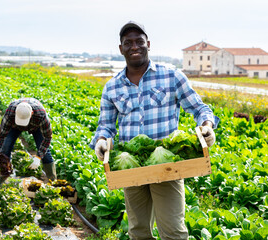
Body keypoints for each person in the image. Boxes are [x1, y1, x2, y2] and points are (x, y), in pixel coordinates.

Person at [90, 21, 220, 240]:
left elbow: (200, 108)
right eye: (128, 43)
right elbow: (106, 125)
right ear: (120, 49)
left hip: (167, 166)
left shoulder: (171, 76)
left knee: (173, 231)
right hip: (131, 166)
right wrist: (102, 140)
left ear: (148, 44)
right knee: (138, 231)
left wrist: (207, 126)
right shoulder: (112, 86)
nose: (134, 47)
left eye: (139, 41)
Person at [0, 98, 57, 181]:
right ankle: (4, 178)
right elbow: (1, 135)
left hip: (35, 126)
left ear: (32, 114)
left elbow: (47, 137)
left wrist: (38, 157)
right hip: (14, 126)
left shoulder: (41, 115)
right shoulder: (10, 112)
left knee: (46, 154)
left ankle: (53, 180)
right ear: (16, 112)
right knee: (6, 147)